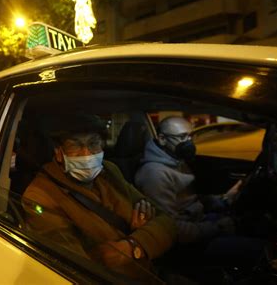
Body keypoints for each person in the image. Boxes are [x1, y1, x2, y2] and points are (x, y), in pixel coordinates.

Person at [21, 113, 177, 279]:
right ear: (59, 152)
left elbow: (167, 222)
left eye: (94, 143)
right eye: (76, 145)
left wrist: (133, 246)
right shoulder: (39, 195)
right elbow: (75, 267)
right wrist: (145, 235)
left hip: (149, 273)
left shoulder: (108, 171)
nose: (87, 153)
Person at [134, 116, 241, 244]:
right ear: (162, 139)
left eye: (190, 136)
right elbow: (170, 228)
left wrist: (223, 200)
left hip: (199, 221)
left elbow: (190, 199)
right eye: (182, 137)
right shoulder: (154, 174)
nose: (189, 142)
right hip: (189, 241)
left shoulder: (177, 160)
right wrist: (218, 228)